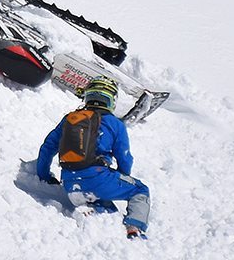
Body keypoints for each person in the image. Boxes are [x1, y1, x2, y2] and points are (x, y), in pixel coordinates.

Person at [37, 76, 151, 239]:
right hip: (99, 178)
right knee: (140, 189)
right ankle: (135, 228)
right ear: (111, 100)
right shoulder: (115, 124)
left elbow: (47, 148)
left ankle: (94, 210)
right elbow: (124, 158)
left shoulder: (71, 118)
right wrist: (121, 177)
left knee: (105, 203)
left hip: (69, 182)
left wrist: (44, 176)